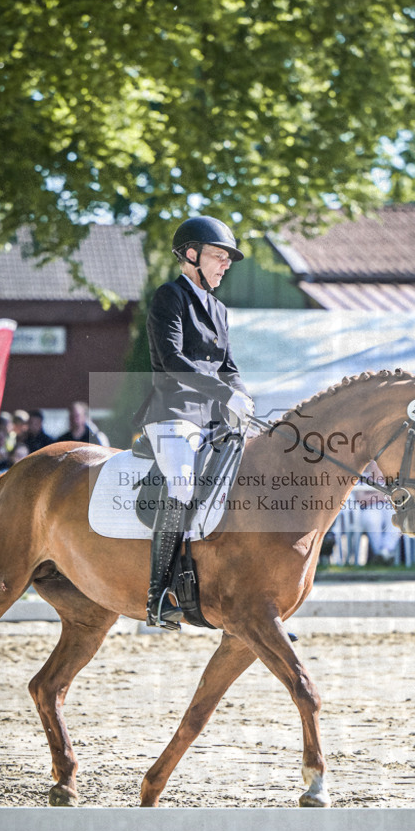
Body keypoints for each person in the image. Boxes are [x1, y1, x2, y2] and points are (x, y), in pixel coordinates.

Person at [133, 215, 254, 627]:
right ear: (191, 255)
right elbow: (172, 361)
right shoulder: (169, 296)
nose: (225, 265)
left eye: (227, 259)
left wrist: (242, 397)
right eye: (218, 257)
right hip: (174, 414)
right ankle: (158, 594)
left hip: (212, 420)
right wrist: (224, 394)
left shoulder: (219, 309)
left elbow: (228, 366)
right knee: (182, 485)